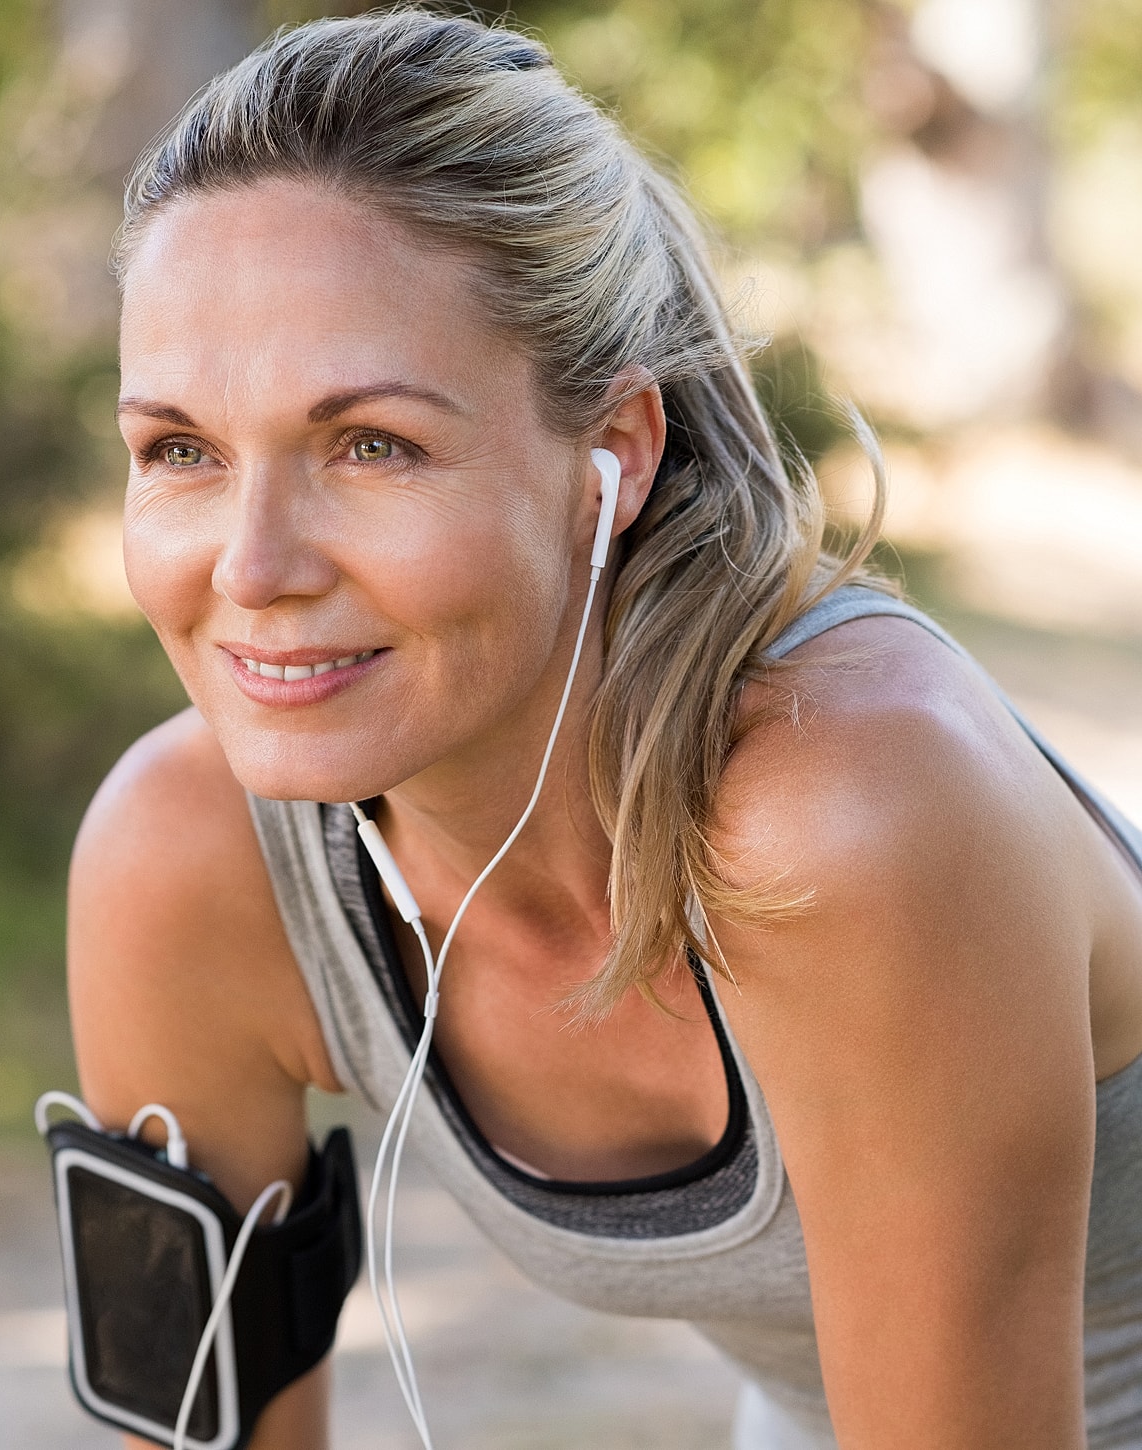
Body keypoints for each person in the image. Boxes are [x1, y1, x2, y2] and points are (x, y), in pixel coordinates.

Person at [67, 10, 1142, 1448]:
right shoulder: (185, 862)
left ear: (613, 456)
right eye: (180, 450)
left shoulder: (847, 813)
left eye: (372, 444)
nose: (253, 570)